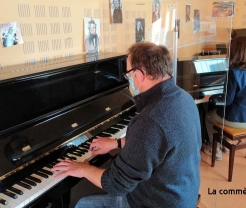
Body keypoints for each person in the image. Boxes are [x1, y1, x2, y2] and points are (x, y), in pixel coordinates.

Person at [52, 42, 202, 208]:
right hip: (183, 194)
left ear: (139, 74)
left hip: (157, 202)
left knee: (83, 204)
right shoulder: (184, 98)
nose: (129, 79)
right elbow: (158, 147)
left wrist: (83, 169)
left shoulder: (150, 120)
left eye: (128, 74)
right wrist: (117, 143)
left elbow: (116, 185)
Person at [203, 36, 246, 160]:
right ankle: (227, 143)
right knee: (225, 115)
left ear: (235, 52)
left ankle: (214, 148)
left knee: (209, 116)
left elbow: (228, 100)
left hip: (239, 119)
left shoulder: (234, 72)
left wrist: (213, 97)